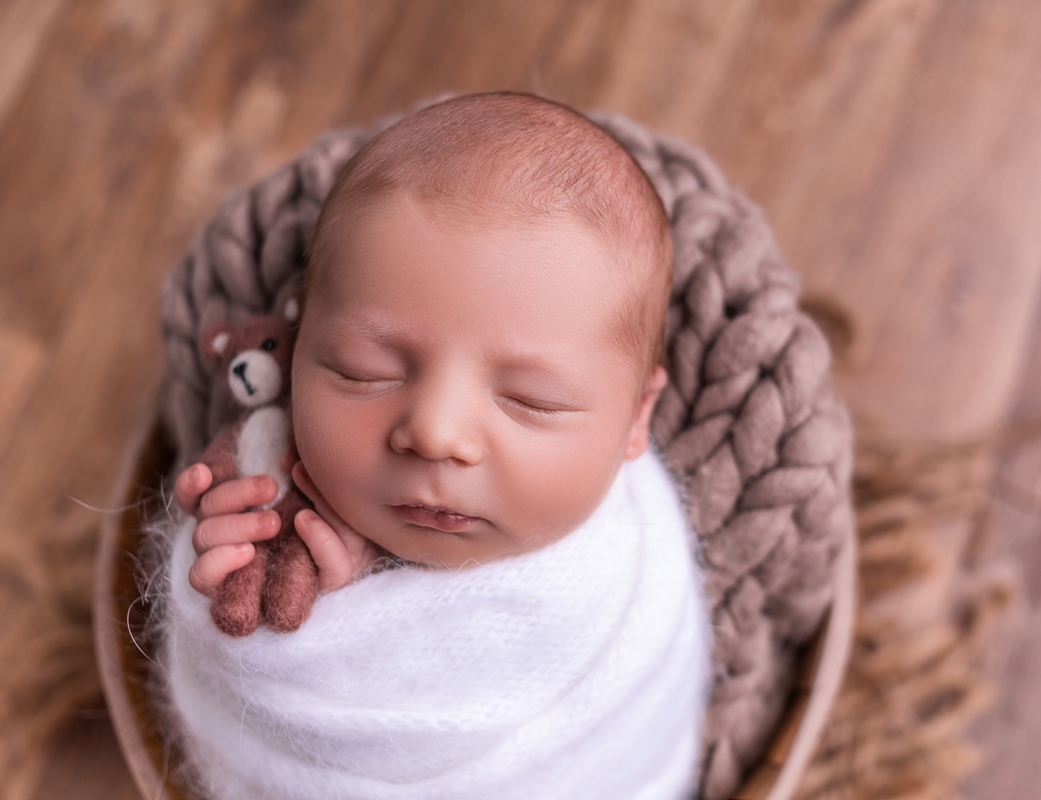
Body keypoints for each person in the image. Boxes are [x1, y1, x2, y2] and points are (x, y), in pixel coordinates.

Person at [163, 92, 712, 799]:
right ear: (296, 351)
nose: (436, 434)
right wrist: (249, 604)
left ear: (636, 420)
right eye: (367, 372)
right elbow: (232, 708)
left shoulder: (630, 566)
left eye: (531, 401)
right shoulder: (266, 472)